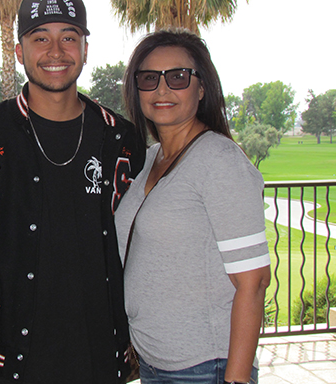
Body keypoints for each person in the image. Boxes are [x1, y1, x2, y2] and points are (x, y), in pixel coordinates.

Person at [0, 0, 146, 383]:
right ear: (19, 51)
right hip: (6, 358)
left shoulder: (120, 139)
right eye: (40, 38)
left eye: (69, 37)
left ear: (85, 48)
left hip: (99, 354)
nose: (55, 51)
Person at [115, 28, 271, 384]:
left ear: (202, 88)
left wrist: (236, 379)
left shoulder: (219, 160)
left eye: (179, 77)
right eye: (150, 78)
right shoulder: (149, 160)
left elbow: (254, 282)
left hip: (206, 366)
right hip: (155, 362)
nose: (163, 90)